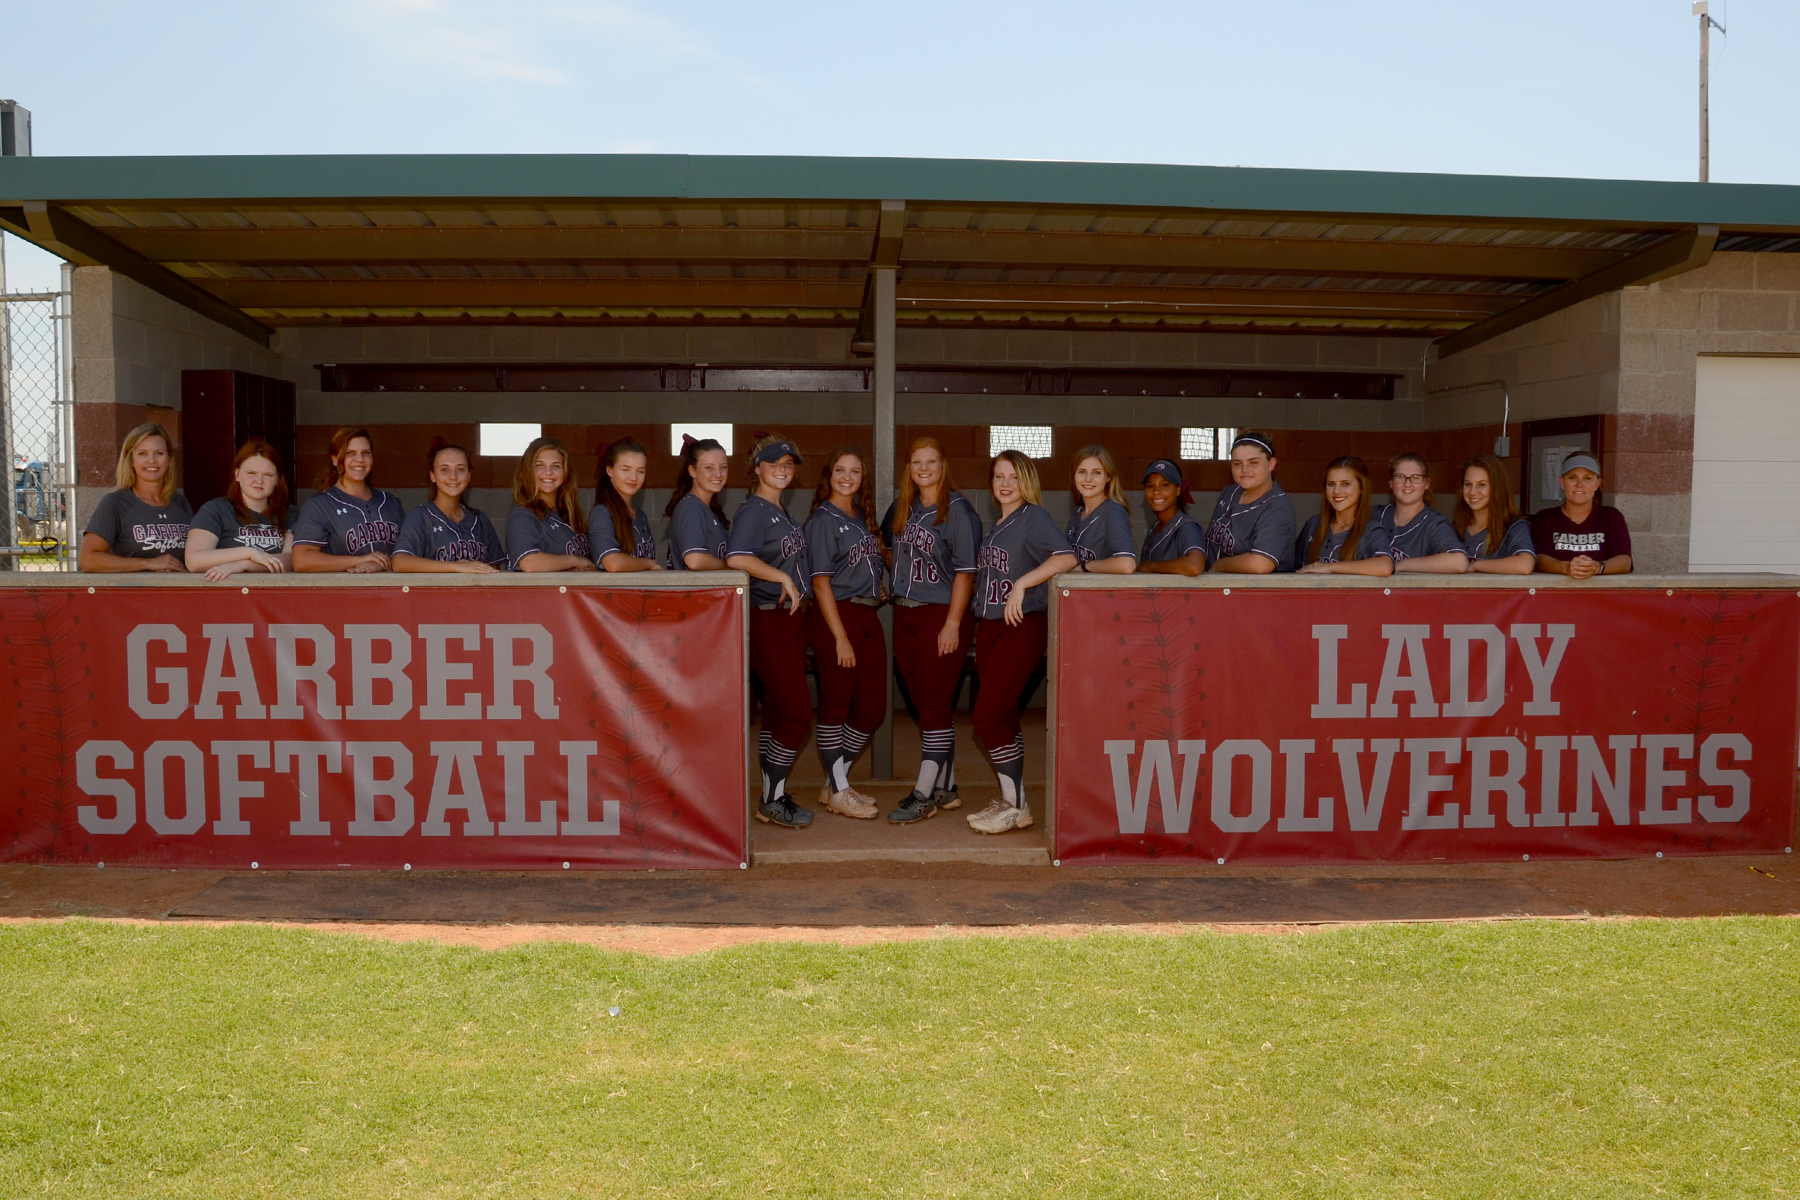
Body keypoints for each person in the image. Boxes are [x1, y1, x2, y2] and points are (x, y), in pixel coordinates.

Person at [966, 450, 1077, 835]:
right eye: (999, 476)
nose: (1005, 484)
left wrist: (1023, 583)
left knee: (987, 716)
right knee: (1006, 717)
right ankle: (1013, 802)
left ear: (1026, 480)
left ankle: (1018, 804)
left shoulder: (1033, 515)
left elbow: (1066, 558)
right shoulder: (998, 523)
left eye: (1013, 476)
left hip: (1022, 624)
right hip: (992, 627)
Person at [882, 436, 982, 824]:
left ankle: (923, 793)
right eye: (917, 462)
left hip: (941, 614)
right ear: (909, 467)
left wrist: (953, 624)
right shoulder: (903, 506)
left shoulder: (958, 510)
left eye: (932, 461)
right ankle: (948, 787)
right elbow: (887, 545)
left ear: (943, 465)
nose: (924, 468)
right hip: (905, 613)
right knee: (925, 705)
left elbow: (965, 572)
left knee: (936, 705)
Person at [725, 435, 815, 829]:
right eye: (774, 461)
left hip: (790, 620)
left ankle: (775, 797)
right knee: (797, 714)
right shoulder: (753, 510)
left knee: (778, 714)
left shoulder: (781, 511)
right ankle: (770, 798)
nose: (782, 467)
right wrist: (779, 575)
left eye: (789, 463)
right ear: (757, 467)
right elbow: (736, 557)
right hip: (767, 617)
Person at [802, 446, 889, 821]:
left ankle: (834, 780)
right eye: (840, 469)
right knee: (836, 705)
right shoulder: (822, 518)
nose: (847, 477)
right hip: (835, 616)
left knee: (871, 709)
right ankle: (838, 788)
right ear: (829, 474)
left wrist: (877, 585)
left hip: (867, 614)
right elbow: (820, 583)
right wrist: (839, 637)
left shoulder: (861, 515)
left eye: (855, 471)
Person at [79, 423, 192, 573]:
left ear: (169, 459)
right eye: (142, 453)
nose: (151, 460)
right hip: (133, 593)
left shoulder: (181, 503)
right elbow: (88, 560)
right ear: (131, 460)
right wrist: (148, 563)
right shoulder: (115, 503)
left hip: (177, 593)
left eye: (159, 453)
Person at [291, 427, 404, 573]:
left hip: (392, 592)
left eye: (366, 453)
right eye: (350, 453)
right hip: (344, 592)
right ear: (335, 459)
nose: (360, 459)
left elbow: (410, 553)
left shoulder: (390, 502)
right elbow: (301, 560)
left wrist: (381, 563)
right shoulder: (319, 505)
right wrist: (360, 560)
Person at [184, 439, 293, 581]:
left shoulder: (290, 514)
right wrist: (248, 552)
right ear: (237, 474)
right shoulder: (216, 510)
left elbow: (291, 560)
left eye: (268, 475)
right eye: (251, 473)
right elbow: (194, 561)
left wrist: (244, 564)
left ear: (278, 479)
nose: (259, 480)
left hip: (272, 597)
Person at [394, 438, 506, 573]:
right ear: (433, 475)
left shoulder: (480, 520)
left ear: (469, 475)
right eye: (444, 469)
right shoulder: (420, 516)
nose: (453, 476)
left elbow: (494, 572)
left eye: (460, 469)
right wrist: (456, 567)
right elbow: (399, 562)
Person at [1203, 432, 1296, 573]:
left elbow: (1259, 564)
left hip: (1254, 592)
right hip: (1217, 588)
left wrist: (1216, 567)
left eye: (1254, 462)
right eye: (1237, 463)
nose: (1245, 469)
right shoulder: (1229, 492)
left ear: (1271, 464)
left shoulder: (1278, 509)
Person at [1533, 452, 1633, 578]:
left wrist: (1597, 567)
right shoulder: (1546, 518)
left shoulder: (1611, 517)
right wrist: (1567, 567)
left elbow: (1625, 562)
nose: (1579, 484)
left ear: (1597, 484)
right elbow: (1538, 560)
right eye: (1572, 477)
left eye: (1587, 478)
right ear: (1562, 482)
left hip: (1601, 595)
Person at [506, 436, 595, 573]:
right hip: (543, 594)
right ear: (527, 471)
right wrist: (575, 561)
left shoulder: (569, 513)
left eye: (556, 466)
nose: (548, 472)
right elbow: (529, 563)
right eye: (539, 465)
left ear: (566, 472)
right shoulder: (522, 515)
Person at [1294, 455, 1394, 576]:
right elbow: (1292, 565)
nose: (1336, 491)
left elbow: (1385, 566)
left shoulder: (1371, 530)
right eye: (1331, 484)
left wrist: (1330, 567)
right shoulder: (1314, 524)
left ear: (1361, 487)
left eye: (1345, 484)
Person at [1379, 452, 1467, 574]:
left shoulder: (1434, 524)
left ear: (1427, 483)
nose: (1407, 484)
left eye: (1416, 478)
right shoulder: (1377, 515)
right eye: (1400, 477)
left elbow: (1458, 562)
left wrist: (1398, 565)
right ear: (1391, 482)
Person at [1454, 454, 1536, 575]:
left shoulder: (1514, 527)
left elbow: (1525, 565)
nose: (1473, 492)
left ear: (1497, 488)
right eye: (1468, 484)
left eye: (1482, 485)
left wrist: (1475, 565)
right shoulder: (1454, 527)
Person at [588, 439, 661, 572]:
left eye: (640, 471)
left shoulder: (639, 513)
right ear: (610, 470)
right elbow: (613, 563)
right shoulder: (602, 513)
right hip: (615, 593)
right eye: (626, 469)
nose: (633, 477)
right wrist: (648, 564)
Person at [1065, 446, 1137, 574]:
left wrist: (1085, 566)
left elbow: (1127, 564)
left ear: (1108, 477)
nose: (1088, 479)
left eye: (1096, 472)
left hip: (1104, 593)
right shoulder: (1077, 515)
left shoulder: (1113, 512)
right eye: (1082, 471)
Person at [665, 436, 731, 570]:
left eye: (723, 467)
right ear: (692, 471)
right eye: (709, 467)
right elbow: (695, 560)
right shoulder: (692, 508)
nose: (718, 474)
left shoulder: (704, 508)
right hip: (694, 591)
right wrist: (732, 568)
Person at [1137, 458, 1207, 576]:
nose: (1156, 492)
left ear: (1178, 490)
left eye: (1164, 485)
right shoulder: (1154, 528)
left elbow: (1195, 565)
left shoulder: (1187, 527)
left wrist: (1151, 566)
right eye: (1150, 486)